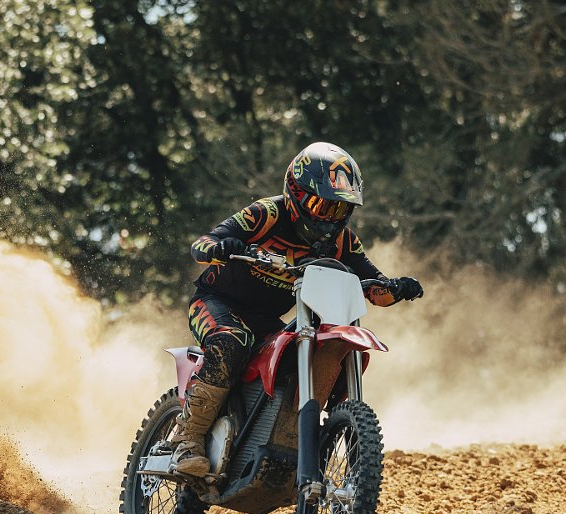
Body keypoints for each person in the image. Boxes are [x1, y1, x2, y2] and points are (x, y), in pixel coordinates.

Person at [169, 141, 423, 476]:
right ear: (296, 193)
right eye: (321, 205)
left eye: (339, 209)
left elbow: (374, 289)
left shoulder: (343, 241)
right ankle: (187, 440)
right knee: (231, 342)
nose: (329, 218)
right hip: (217, 302)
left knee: (294, 355)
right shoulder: (266, 214)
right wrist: (221, 248)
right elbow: (202, 243)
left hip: (266, 320)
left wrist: (396, 288)